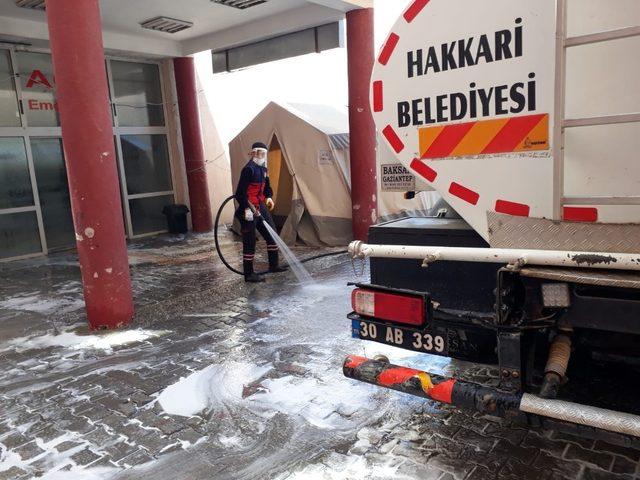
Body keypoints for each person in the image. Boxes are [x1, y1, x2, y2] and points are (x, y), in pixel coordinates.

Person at [235, 142, 286, 283]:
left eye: (263, 153)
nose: (261, 156)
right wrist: (251, 209)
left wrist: (269, 197)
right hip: (247, 208)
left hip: (260, 206)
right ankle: (249, 274)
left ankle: (274, 265)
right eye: (258, 153)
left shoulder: (264, 170)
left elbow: (267, 188)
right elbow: (240, 194)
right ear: (253, 153)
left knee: (272, 234)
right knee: (250, 241)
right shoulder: (248, 170)